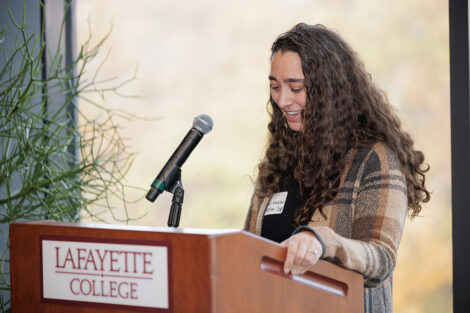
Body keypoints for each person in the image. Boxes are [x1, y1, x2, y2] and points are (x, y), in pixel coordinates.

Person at [243, 23, 430, 313]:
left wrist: (321, 241)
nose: (282, 100)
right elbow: (248, 250)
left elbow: (380, 259)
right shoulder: (277, 162)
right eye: (275, 87)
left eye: (296, 87)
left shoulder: (375, 160)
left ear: (330, 90)